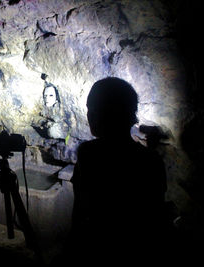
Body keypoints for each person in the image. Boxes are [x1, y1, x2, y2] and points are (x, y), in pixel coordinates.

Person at [66, 77, 169, 263]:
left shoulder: (88, 153)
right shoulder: (151, 161)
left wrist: (72, 251)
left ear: (102, 115)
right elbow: (156, 220)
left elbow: (81, 212)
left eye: (92, 110)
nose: (88, 115)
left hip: (97, 250)